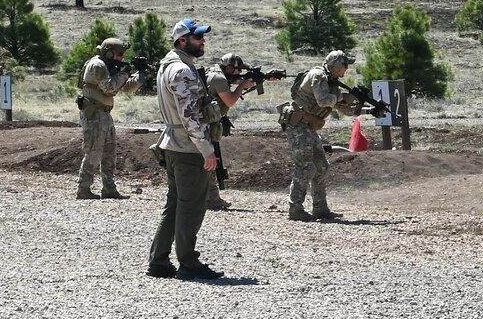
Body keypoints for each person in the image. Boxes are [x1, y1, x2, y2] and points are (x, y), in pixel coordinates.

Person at [147, 19, 224, 281]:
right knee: (191, 207)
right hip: (187, 148)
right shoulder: (181, 71)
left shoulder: (168, 66)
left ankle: (159, 260)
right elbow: (190, 115)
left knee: (175, 204)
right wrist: (205, 148)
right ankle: (188, 263)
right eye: (197, 38)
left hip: (173, 143)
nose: (203, 41)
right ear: (182, 40)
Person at [279, 49, 361, 221]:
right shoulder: (318, 75)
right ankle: (295, 209)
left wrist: (368, 109)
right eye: (345, 66)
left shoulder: (332, 82)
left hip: (308, 127)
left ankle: (320, 209)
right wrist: (342, 96)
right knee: (306, 167)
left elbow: (345, 110)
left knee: (322, 166)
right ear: (337, 65)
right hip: (297, 125)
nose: (346, 70)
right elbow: (323, 101)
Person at [76, 36, 138, 199]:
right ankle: (83, 188)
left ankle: (109, 188)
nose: (121, 58)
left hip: (104, 113)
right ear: (109, 54)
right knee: (94, 152)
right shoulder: (97, 65)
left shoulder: (105, 65)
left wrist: (139, 76)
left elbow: (124, 87)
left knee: (109, 152)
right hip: (94, 113)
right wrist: (125, 73)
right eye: (119, 55)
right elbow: (110, 87)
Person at [202, 54, 265, 211]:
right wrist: (241, 86)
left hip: (205, 123)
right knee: (209, 161)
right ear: (232, 68)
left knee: (207, 161)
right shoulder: (219, 79)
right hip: (205, 126)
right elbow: (230, 100)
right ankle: (211, 199)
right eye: (237, 70)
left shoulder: (216, 73)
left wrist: (251, 82)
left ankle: (211, 198)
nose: (238, 73)